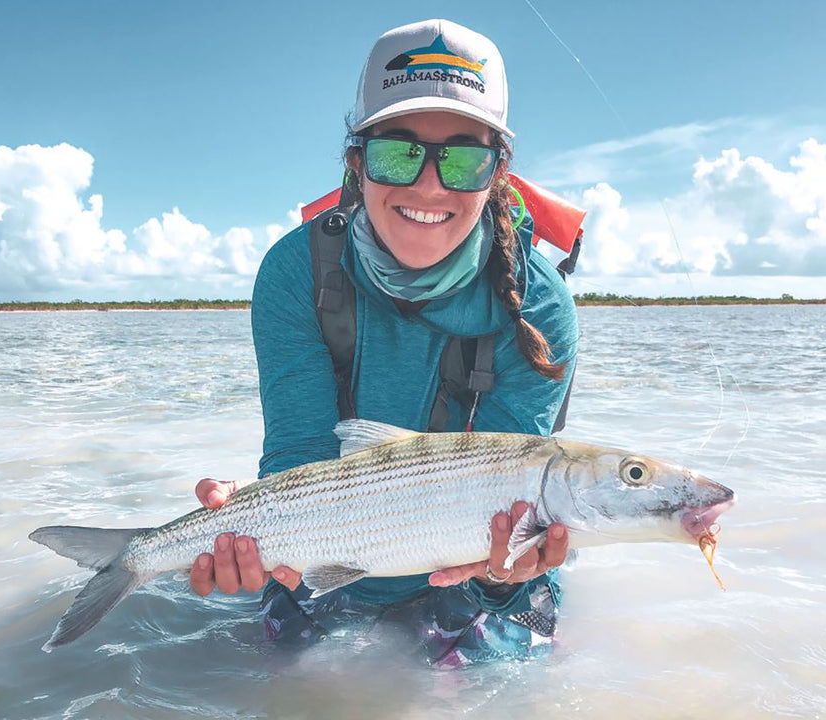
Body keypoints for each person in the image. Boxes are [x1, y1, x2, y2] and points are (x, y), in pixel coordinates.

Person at [189, 18, 578, 667]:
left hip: (482, 578)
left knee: (498, 691)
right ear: (356, 161)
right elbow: (300, 455)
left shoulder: (539, 302)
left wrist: (507, 572)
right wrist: (260, 523)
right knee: (290, 684)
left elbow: (521, 503)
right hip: (325, 556)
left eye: (463, 158)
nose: (429, 185)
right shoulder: (295, 273)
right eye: (400, 152)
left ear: (497, 173)